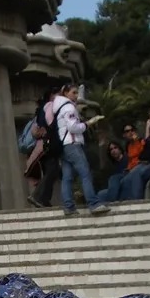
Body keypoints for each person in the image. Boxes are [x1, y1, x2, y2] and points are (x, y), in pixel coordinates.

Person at [28, 85, 109, 215]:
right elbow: (73, 127)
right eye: (73, 92)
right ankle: (93, 203)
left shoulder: (58, 108)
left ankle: (69, 206)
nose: (76, 95)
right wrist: (88, 123)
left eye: (77, 93)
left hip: (63, 146)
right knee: (85, 172)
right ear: (65, 93)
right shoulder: (69, 107)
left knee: (67, 177)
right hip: (72, 144)